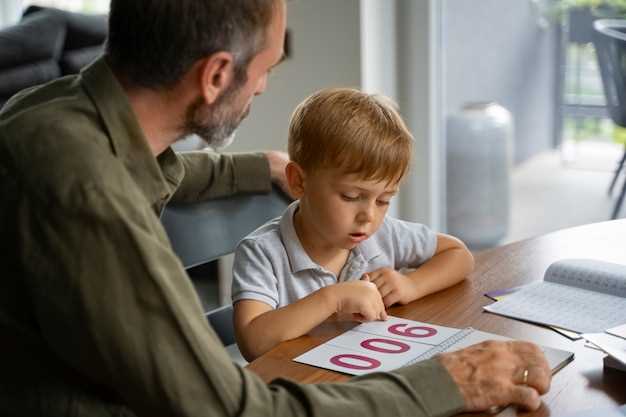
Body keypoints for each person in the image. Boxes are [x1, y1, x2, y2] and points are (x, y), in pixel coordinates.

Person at [0, 1, 552, 416]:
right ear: (217, 75)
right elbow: (237, 411)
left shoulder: (51, 113)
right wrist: (447, 383)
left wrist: (256, 166)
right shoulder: (88, 194)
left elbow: (155, 168)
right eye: (264, 68)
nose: (263, 87)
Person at [231, 88, 475, 360]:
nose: (369, 216)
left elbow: (459, 255)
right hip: (296, 392)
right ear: (299, 181)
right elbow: (253, 342)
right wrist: (332, 299)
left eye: (383, 200)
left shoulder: (383, 234)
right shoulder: (262, 252)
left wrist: (411, 285)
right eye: (351, 196)